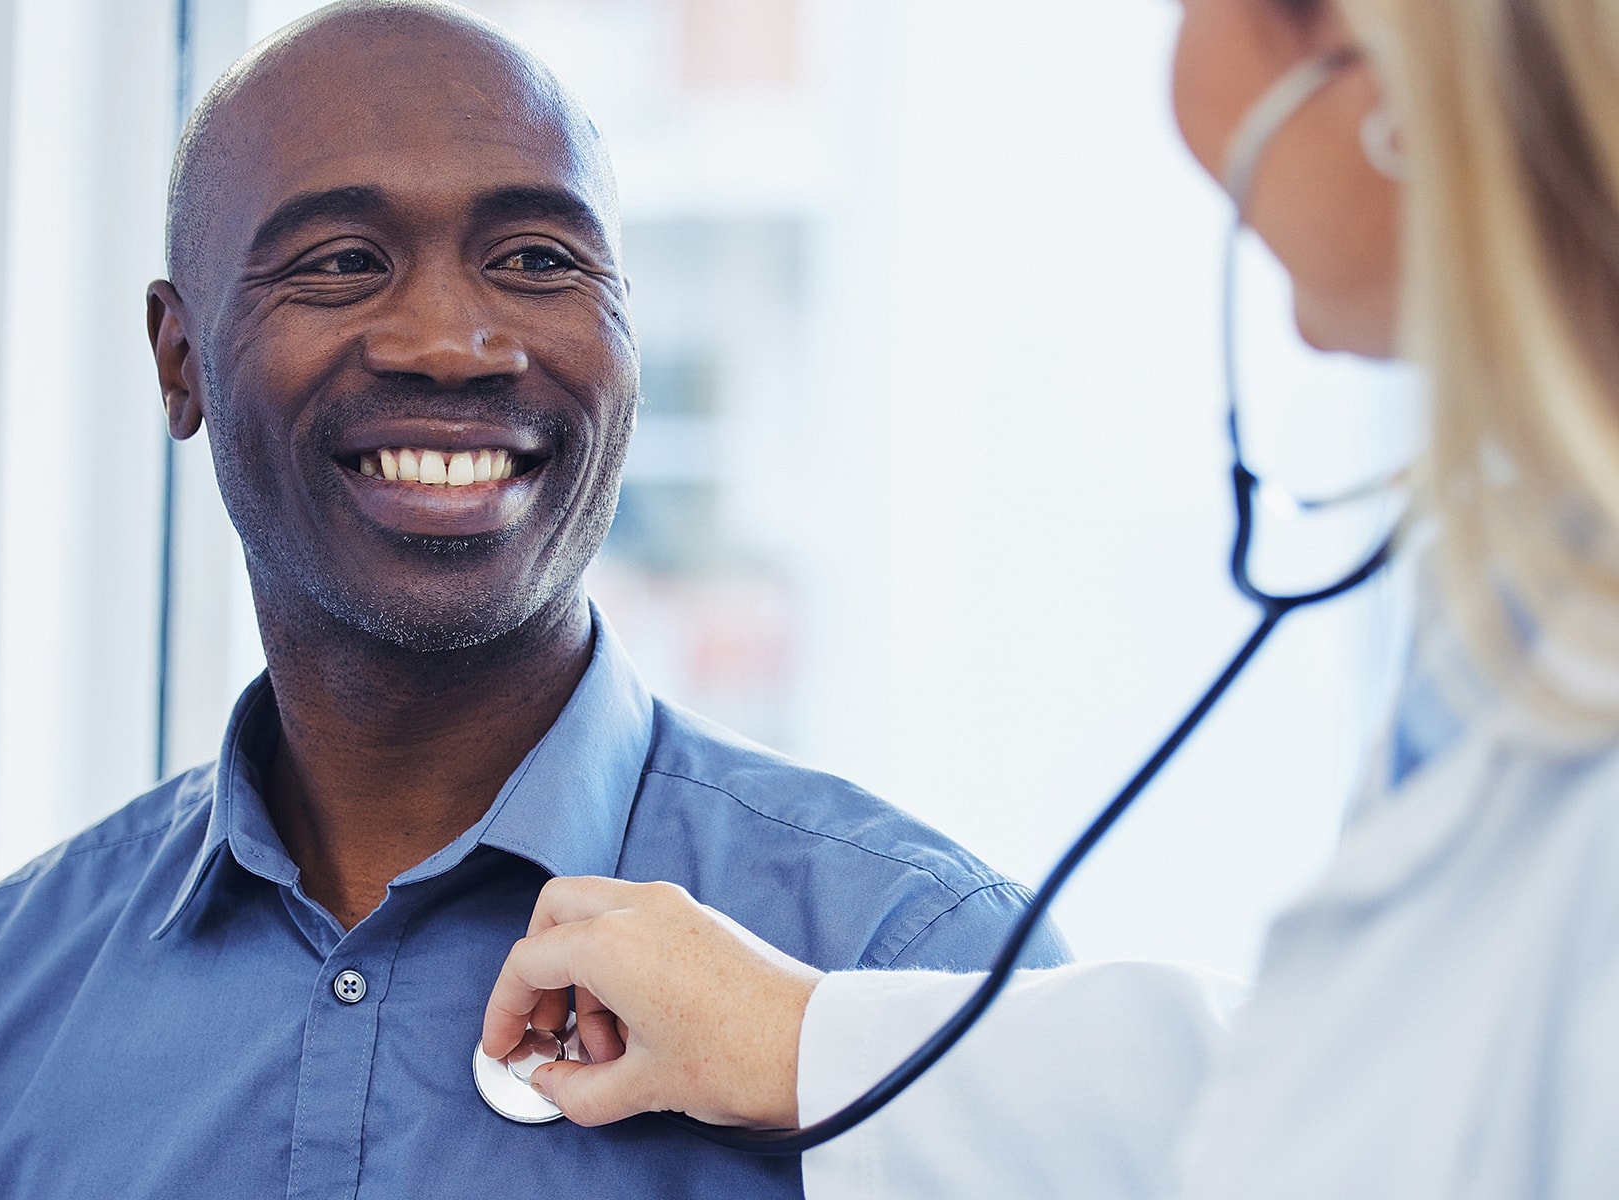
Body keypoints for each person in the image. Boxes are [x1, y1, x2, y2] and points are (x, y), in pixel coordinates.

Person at [0, 3, 1070, 1196]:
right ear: (179, 360)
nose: (448, 342)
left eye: (536, 260)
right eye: (341, 263)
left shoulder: (912, 969)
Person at [480, 0, 1619, 1195]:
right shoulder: (1540, 589)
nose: (451, 344)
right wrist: (807, 1043)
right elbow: (1377, 1101)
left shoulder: (901, 911)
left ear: (1359, 54)